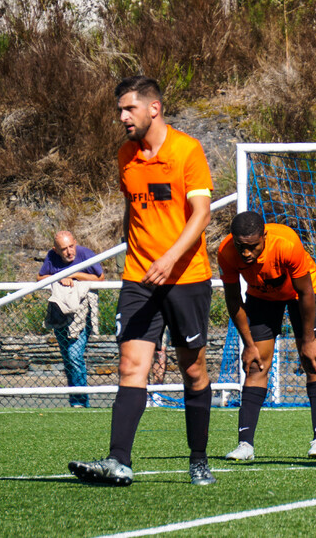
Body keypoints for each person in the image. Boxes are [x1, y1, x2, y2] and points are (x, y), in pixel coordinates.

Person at [68, 75, 217, 486]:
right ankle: (119, 461)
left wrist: (170, 259)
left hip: (186, 278)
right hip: (139, 278)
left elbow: (201, 214)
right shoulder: (124, 156)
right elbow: (132, 210)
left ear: (154, 108)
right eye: (119, 110)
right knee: (131, 366)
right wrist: (132, 251)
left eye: (128, 108)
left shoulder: (187, 150)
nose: (121, 117)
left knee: (194, 370)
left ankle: (199, 459)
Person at [217, 211, 316, 461]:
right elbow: (234, 299)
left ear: (264, 237)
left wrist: (309, 341)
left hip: (303, 295)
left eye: (252, 247)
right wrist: (248, 344)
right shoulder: (226, 251)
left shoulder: (286, 245)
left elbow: (306, 293)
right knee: (256, 365)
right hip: (261, 297)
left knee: (313, 361)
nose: (246, 253)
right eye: (241, 247)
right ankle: (245, 445)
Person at [38, 230, 104, 408]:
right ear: (56, 250)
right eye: (64, 249)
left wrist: (74, 275)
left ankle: (81, 402)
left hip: (82, 312)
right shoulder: (51, 256)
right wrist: (60, 278)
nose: (69, 252)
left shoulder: (85, 254)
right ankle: (75, 399)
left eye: (71, 246)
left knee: (75, 355)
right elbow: (40, 277)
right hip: (60, 311)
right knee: (67, 358)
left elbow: (100, 278)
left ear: (75, 242)